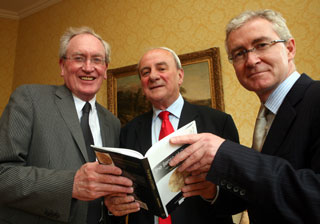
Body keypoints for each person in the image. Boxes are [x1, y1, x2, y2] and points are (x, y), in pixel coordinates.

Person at [169, 9, 320, 223]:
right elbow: (265, 193)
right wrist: (213, 191)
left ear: (289, 48)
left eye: (261, 45)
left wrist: (226, 154)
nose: (251, 60)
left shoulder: (315, 98)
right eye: (239, 53)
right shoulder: (269, 113)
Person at [0, 26, 133, 224]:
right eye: (79, 58)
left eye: (97, 59)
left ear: (105, 69)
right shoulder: (29, 99)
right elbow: (3, 174)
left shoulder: (112, 122)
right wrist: (71, 185)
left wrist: (112, 204)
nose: (88, 67)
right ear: (62, 66)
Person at [105, 47, 240, 224]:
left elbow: (240, 193)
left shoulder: (218, 122)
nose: (153, 76)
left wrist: (213, 192)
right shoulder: (128, 131)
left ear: (180, 76)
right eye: (145, 72)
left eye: (161, 68)